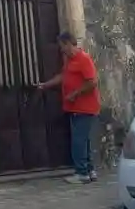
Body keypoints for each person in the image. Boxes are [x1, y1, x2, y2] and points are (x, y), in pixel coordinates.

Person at [37, 32, 100, 184]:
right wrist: (45, 85)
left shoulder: (83, 59)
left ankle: (81, 173)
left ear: (69, 44)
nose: (61, 50)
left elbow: (92, 82)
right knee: (83, 141)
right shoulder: (69, 60)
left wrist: (75, 94)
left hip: (84, 108)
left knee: (78, 141)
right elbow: (63, 76)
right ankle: (89, 170)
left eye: (62, 46)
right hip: (75, 108)